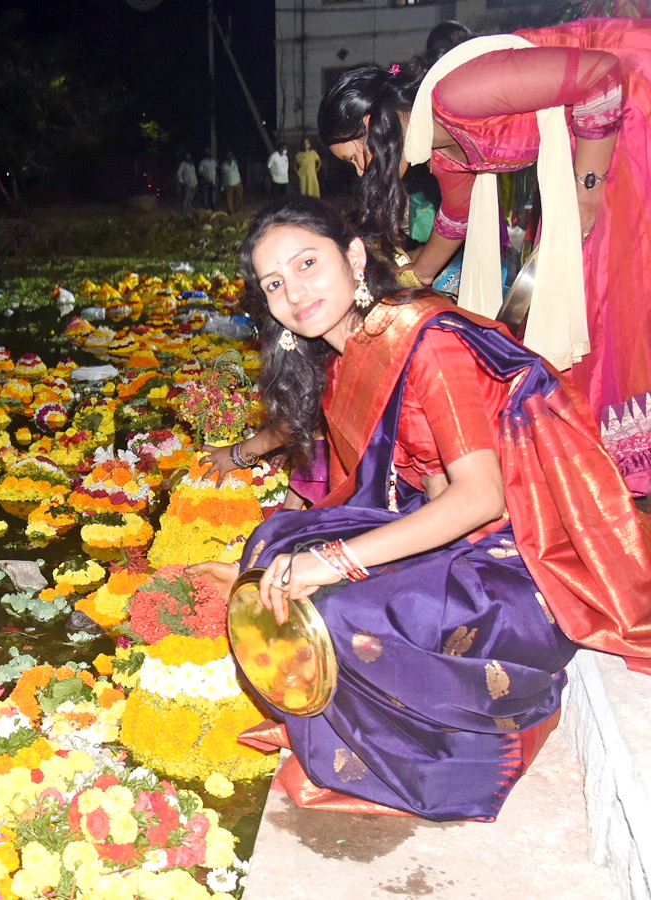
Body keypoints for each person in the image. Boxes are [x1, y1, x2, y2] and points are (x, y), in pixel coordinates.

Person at [191, 197, 651, 821]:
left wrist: (336, 560)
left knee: (337, 609)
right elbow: (366, 486)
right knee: (273, 543)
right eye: (274, 283)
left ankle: (439, 752)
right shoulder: (346, 352)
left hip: (513, 560)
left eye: (306, 264)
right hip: (441, 534)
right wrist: (299, 549)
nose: (294, 292)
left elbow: (482, 497)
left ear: (353, 257)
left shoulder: (426, 340)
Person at [317, 18, 651, 494]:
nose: (360, 170)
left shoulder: (457, 94)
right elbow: (455, 218)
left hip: (621, 125)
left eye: (354, 157)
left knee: (604, 306)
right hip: (588, 157)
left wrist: (587, 191)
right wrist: (406, 288)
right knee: (583, 312)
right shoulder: (440, 145)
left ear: (371, 124)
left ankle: (614, 470)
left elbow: (602, 79)